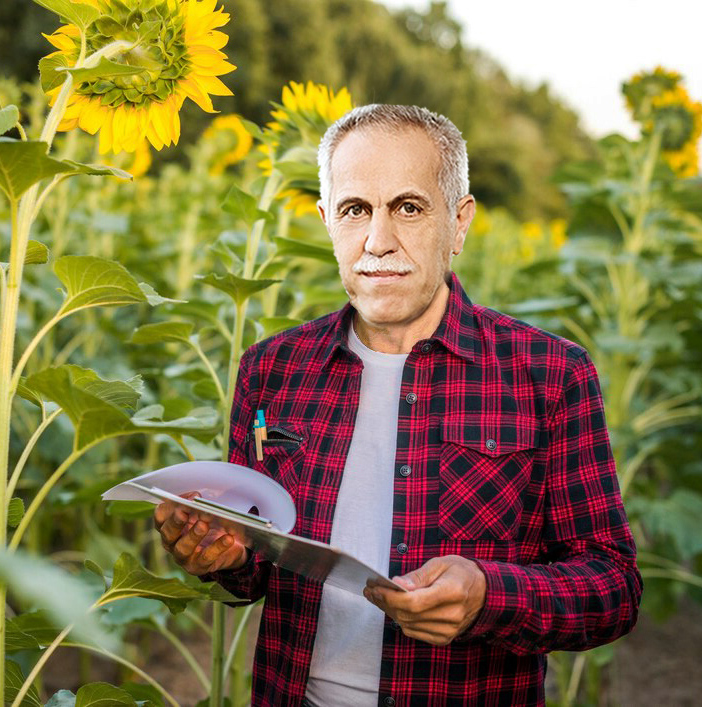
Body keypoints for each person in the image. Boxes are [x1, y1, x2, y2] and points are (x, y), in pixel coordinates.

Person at [155, 104, 642, 706]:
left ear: (459, 223)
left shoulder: (548, 374)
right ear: (327, 221)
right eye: (355, 210)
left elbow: (613, 588)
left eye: (408, 208)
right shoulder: (272, 369)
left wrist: (490, 594)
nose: (378, 241)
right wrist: (216, 550)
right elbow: (254, 568)